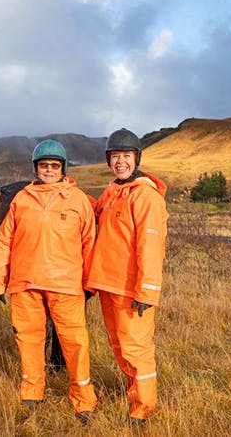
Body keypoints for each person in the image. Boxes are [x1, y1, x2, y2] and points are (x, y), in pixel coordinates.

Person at [0, 139, 98, 423]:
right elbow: (3, 241)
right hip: (25, 285)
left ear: (63, 168)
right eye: (44, 165)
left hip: (66, 286)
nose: (49, 170)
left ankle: (83, 401)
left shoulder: (79, 200)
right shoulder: (22, 200)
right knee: (29, 341)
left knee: (75, 344)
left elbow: (90, 244)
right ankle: (32, 393)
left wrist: (89, 284)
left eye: (54, 165)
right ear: (36, 168)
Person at [85, 128, 168, 426]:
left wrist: (146, 292)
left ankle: (143, 410)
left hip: (131, 289)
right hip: (107, 285)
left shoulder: (145, 197)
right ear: (109, 160)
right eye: (115, 156)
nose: (121, 162)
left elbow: (151, 245)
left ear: (136, 159)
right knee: (119, 346)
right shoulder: (111, 193)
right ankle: (134, 393)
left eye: (126, 156)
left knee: (136, 348)